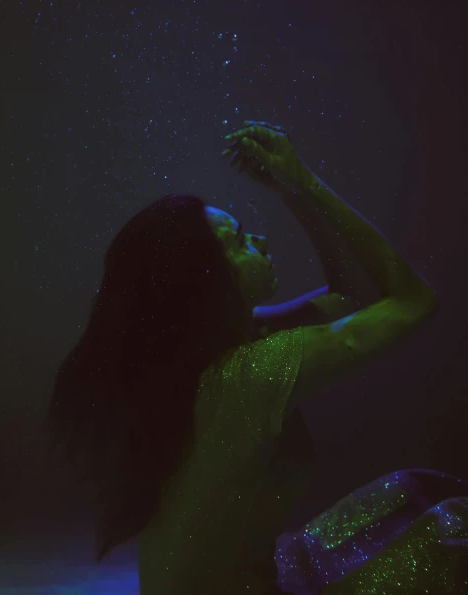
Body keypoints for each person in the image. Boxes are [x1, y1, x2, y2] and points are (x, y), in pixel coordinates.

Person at [43, 121, 468, 594]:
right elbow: (414, 301)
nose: (261, 242)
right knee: (452, 527)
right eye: (241, 240)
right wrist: (305, 179)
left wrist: (294, 194)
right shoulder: (251, 372)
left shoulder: (212, 351)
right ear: (209, 282)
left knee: (413, 491)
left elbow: (348, 296)